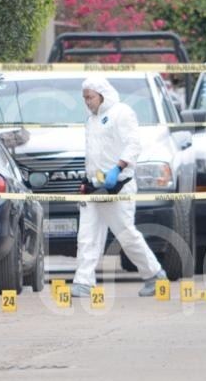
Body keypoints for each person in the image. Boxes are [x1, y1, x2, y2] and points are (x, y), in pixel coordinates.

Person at [71, 76, 167, 298]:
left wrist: (118, 168)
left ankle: (154, 274)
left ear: (101, 94)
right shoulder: (91, 120)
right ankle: (83, 282)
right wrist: (87, 181)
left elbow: (133, 144)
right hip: (95, 187)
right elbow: (93, 154)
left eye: (90, 97)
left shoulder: (121, 113)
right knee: (87, 235)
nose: (87, 102)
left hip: (118, 186)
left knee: (126, 234)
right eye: (84, 98)